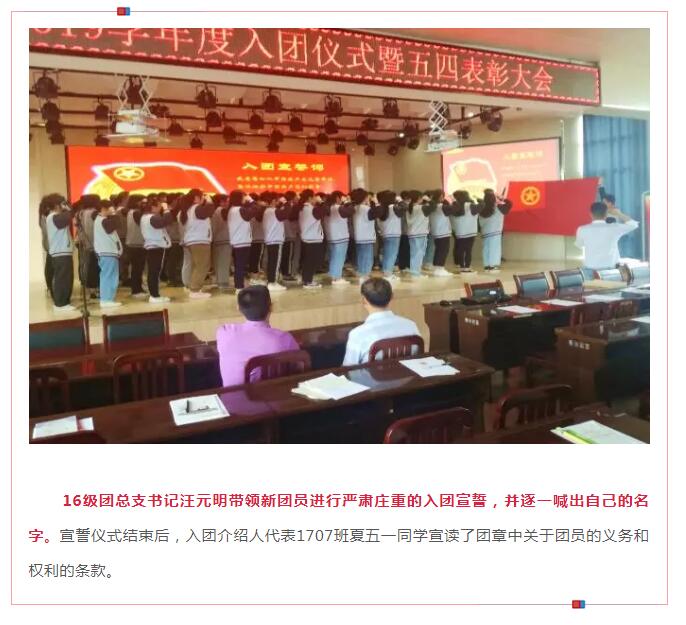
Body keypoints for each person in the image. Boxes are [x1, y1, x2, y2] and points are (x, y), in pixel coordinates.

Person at [216, 285, 299, 387]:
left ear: (238, 308)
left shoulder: (224, 333)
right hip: (274, 396)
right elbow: (298, 365)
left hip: (231, 397)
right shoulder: (284, 339)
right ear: (271, 307)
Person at [342, 277, 421, 366]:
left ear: (363, 300)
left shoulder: (358, 334)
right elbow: (418, 359)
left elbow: (348, 368)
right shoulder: (411, 326)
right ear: (392, 297)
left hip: (370, 376)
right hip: (407, 375)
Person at [575, 201, 639, 273]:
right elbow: (634, 224)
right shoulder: (614, 227)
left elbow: (580, 245)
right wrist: (618, 213)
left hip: (591, 270)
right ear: (606, 214)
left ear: (591, 214)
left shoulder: (582, 229)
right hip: (611, 271)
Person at [45, 194, 76, 313]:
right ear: (56, 205)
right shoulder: (53, 217)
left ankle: (64, 302)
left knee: (66, 278)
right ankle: (60, 304)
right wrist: (69, 209)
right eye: (62, 203)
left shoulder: (56, 217)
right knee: (62, 278)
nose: (64, 206)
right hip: (60, 253)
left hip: (63, 252)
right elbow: (67, 217)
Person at [141, 194, 174, 304]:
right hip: (156, 246)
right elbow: (166, 221)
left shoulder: (145, 217)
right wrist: (167, 210)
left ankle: (154, 294)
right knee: (154, 272)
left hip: (152, 246)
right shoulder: (152, 218)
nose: (160, 208)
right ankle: (154, 295)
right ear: (153, 207)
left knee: (153, 271)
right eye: (159, 206)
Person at [182, 189, 214, 299]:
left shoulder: (189, 209)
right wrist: (209, 202)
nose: (203, 198)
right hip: (199, 240)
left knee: (198, 265)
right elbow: (208, 211)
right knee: (202, 265)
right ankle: (195, 290)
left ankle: (194, 287)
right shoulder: (196, 208)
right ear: (196, 198)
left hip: (194, 240)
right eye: (202, 196)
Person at [93, 198, 123, 308]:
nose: (112, 210)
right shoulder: (102, 220)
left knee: (109, 276)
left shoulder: (101, 219)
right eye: (110, 208)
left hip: (107, 252)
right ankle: (106, 300)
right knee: (108, 276)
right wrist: (114, 213)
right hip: (107, 252)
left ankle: (108, 299)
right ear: (103, 209)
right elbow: (116, 224)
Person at [298, 189, 328, 289]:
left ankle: (306, 279)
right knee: (311, 261)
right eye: (314, 197)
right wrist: (321, 202)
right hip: (312, 238)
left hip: (307, 237)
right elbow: (325, 210)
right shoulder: (312, 209)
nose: (316, 198)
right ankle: (308, 281)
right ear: (310, 198)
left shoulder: (303, 208)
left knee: (307, 260)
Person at [228, 189, 256, 292]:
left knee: (239, 265)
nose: (245, 198)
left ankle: (239, 285)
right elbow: (254, 211)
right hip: (241, 241)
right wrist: (252, 201)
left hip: (238, 240)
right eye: (243, 196)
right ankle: (239, 287)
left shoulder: (233, 209)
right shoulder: (239, 209)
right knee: (240, 265)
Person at [262, 191, 290, 292]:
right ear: (273, 201)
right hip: (275, 239)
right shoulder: (274, 211)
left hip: (270, 239)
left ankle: (270, 281)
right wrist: (286, 203)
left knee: (272, 261)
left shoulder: (267, 211)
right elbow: (286, 213)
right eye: (277, 200)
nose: (278, 202)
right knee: (275, 262)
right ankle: (273, 282)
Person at [324, 191, 353, 286]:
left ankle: (333, 275)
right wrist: (348, 202)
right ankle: (337, 278)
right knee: (339, 258)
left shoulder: (328, 208)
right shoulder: (338, 207)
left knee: (334, 257)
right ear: (337, 198)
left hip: (331, 236)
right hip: (340, 236)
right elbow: (350, 211)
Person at [479, 188, 512, 273]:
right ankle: (493, 266)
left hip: (485, 232)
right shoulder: (499, 208)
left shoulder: (481, 208)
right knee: (495, 249)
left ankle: (486, 266)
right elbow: (510, 204)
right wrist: (501, 198)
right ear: (494, 198)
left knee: (486, 248)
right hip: (495, 232)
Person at [375, 189, 405, 281]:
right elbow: (404, 208)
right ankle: (388, 274)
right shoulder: (393, 207)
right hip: (394, 234)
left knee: (387, 254)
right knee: (391, 255)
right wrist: (400, 201)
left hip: (385, 233)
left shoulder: (381, 208)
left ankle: (386, 272)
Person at [75, 194, 101, 299]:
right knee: (94, 267)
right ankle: (94, 289)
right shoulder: (95, 213)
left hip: (82, 242)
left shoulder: (80, 213)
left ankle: (87, 287)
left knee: (86, 265)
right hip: (93, 242)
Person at [350, 188, 378, 283]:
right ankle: (365, 275)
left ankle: (361, 273)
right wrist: (375, 203)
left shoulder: (355, 208)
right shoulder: (366, 209)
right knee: (367, 257)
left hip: (359, 236)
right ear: (364, 198)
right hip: (367, 236)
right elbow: (377, 213)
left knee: (361, 256)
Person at [426, 189, 454, 277]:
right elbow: (455, 208)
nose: (443, 198)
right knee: (443, 250)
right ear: (440, 196)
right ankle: (440, 269)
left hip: (435, 231)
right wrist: (453, 199)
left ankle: (437, 268)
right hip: (443, 231)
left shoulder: (431, 206)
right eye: (442, 196)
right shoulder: (441, 206)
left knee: (438, 250)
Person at [450, 190, 480, 272]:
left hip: (459, 231)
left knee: (460, 249)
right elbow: (482, 204)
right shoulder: (470, 205)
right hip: (470, 231)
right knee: (468, 250)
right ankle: (467, 266)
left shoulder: (454, 206)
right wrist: (478, 199)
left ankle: (461, 266)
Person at [125, 193, 148, 298]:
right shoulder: (137, 213)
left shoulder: (130, 212)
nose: (143, 204)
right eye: (142, 201)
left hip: (132, 242)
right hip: (137, 243)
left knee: (136, 268)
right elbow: (143, 224)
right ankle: (136, 290)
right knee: (137, 268)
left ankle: (138, 288)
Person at [405, 190, 431, 279]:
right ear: (418, 198)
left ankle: (414, 272)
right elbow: (433, 206)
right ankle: (416, 273)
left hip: (412, 233)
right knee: (418, 254)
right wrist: (429, 200)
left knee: (414, 254)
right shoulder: (421, 207)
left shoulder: (409, 207)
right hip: (420, 233)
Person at [210, 193, 231, 292]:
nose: (228, 203)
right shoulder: (222, 211)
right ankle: (223, 283)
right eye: (227, 201)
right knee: (224, 262)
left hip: (216, 240)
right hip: (224, 239)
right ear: (221, 202)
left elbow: (213, 228)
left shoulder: (214, 211)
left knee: (217, 262)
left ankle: (219, 282)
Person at [280, 190, 300, 282]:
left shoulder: (283, 206)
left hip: (284, 234)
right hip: (290, 233)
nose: (297, 198)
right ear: (292, 198)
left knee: (285, 255)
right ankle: (287, 274)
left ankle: (284, 272)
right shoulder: (290, 206)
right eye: (296, 196)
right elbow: (292, 217)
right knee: (288, 256)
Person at [249, 192, 267, 284]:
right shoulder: (258, 210)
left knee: (253, 258)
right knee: (257, 259)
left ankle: (253, 276)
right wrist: (263, 207)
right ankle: (255, 278)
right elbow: (259, 218)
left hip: (252, 238)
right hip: (258, 238)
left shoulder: (249, 209)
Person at [38, 196, 53, 295]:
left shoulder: (43, 215)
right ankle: (51, 286)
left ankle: (50, 286)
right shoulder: (46, 216)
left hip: (48, 244)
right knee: (51, 266)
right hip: (51, 244)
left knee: (49, 265)